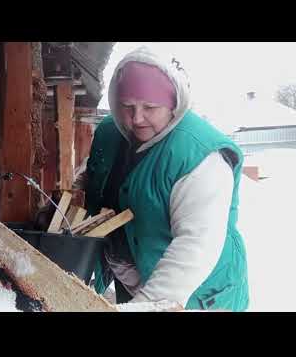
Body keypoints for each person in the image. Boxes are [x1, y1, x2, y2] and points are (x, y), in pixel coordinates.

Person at [84, 47, 249, 311]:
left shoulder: (199, 155)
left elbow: (195, 244)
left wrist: (148, 304)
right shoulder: (110, 132)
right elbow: (94, 181)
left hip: (194, 293)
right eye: (127, 106)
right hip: (135, 280)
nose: (136, 118)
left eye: (150, 107)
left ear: (174, 105)